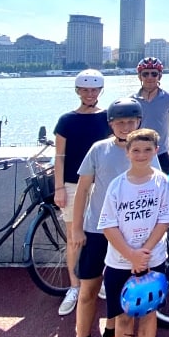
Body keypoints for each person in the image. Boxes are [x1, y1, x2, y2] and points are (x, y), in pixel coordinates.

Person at [54, 98, 160, 337]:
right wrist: (77, 230)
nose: (125, 127)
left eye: (131, 121)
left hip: (130, 235)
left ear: (139, 122)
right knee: (88, 290)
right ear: (110, 123)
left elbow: (159, 184)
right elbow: (84, 190)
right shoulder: (98, 150)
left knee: (118, 292)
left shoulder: (144, 149)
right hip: (97, 231)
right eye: (119, 122)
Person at [98, 128, 169, 337]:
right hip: (119, 262)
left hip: (153, 262)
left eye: (147, 150)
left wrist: (144, 253)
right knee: (121, 318)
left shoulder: (162, 181)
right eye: (136, 150)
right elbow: (108, 225)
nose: (141, 155)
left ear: (156, 151)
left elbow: (165, 219)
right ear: (127, 152)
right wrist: (131, 254)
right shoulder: (117, 185)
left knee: (147, 315)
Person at [53, 69, 112, 317]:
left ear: (100, 91)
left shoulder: (109, 118)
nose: (90, 94)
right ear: (78, 91)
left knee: (106, 234)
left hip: (102, 184)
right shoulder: (66, 120)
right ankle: (74, 286)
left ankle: (102, 282)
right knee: (73, 236)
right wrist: (58, 188)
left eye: (94, 89)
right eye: (85, 90)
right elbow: (59, 156)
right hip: (71, 184)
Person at [132, 57, 169, 174]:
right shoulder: (131, 100)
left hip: (161, 153)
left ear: (159, 76)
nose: (150, 77)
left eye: (154, 74)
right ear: (140, 76)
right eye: (145, 74)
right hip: (137, 153)